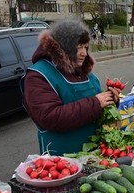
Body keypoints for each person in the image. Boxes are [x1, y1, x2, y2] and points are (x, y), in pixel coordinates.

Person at [22, 19, 120, 155]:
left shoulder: (84, 72)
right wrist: (96, 103)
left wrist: (110, 100)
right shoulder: (38, 75)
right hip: (61, 160)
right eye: (79, 46)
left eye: (86, 47)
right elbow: (50, 118)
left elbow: (96, 106)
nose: (84, 53)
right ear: (63, 47)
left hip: (94, 153)